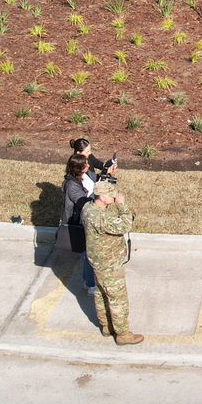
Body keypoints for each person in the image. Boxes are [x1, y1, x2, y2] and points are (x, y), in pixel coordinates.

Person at [82, 177, 143, 345]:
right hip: (109, 263)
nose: (114, 198)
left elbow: (106, 218)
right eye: (111, 195)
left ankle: (106, 326)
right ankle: (123, 334)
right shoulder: (100, 218)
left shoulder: (88, 208)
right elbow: (124, 225)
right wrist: (122, 205)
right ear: (102, 197)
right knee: (118, 299)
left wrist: (114, 206)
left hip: (97, 261)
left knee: (101, 294)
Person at [62, 147, 97, 293]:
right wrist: (99, 202)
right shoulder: (72, 185)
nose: (88, 165)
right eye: (86, 164)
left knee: (87, 253)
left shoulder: (83, 177)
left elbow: (96, 182)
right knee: (89, 253)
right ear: (79, 168)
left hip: (85, 219)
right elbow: (83, 202)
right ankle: (90, 285)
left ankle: (87, 280)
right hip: (79, 221)